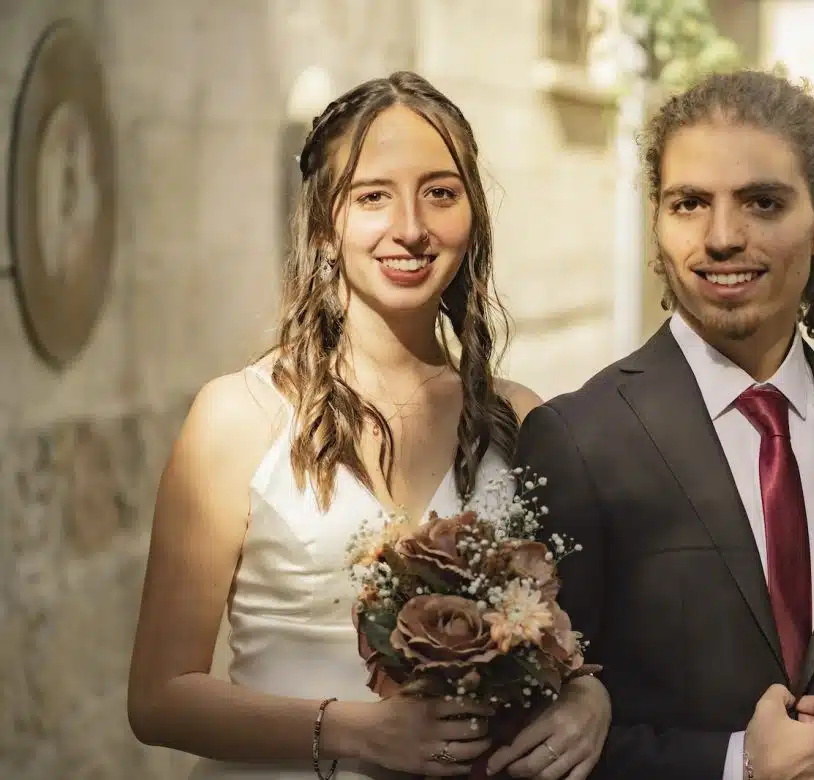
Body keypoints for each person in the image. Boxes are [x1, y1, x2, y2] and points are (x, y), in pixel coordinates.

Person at [127, 71, 610, 780]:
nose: (410, 228)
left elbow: (575, 635)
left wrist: (590, 696)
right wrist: (352, 732)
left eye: (440, 194)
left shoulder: (520, 418)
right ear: (326, 224)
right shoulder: (239, 415)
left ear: (471, 217)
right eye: (373, 196)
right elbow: (159, 700)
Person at [512, 70, 814, 780]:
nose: (723, 237)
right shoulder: (577, 441)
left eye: (762, 202)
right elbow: (538, 744)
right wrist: (737, 763)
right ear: (657, 219)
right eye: (690, 203)